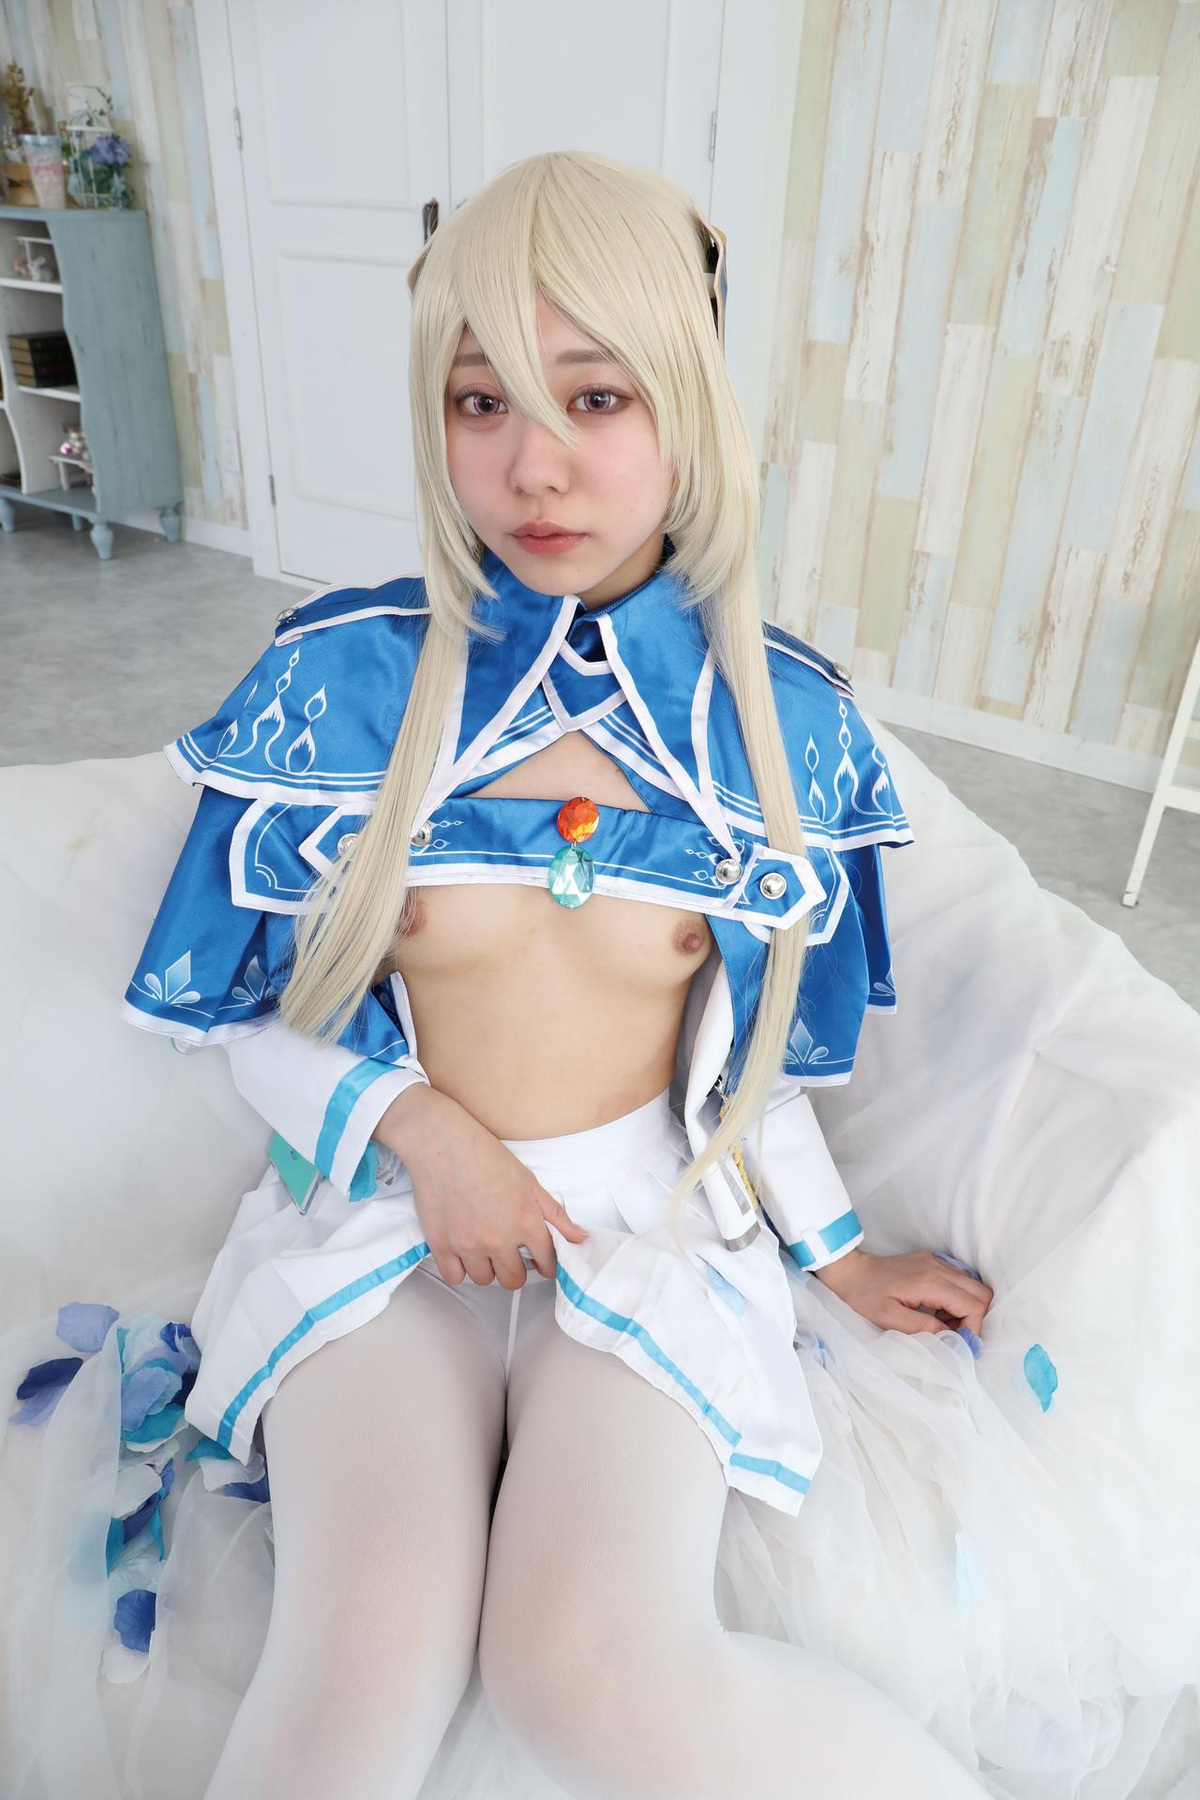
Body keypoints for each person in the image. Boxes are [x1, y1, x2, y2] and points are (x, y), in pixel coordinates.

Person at [121, 149, 993, 1800]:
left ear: (688, 405)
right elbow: (245, 1011)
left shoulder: (778, 723)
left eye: (596, 398)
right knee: (365, 1651)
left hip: (643, 1229)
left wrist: (837, 1252)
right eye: (481, 403)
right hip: (389, 1225)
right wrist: (428, 1135)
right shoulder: (343, 683)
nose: (534, 466)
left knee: (588, 1670)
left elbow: (744, 1065)